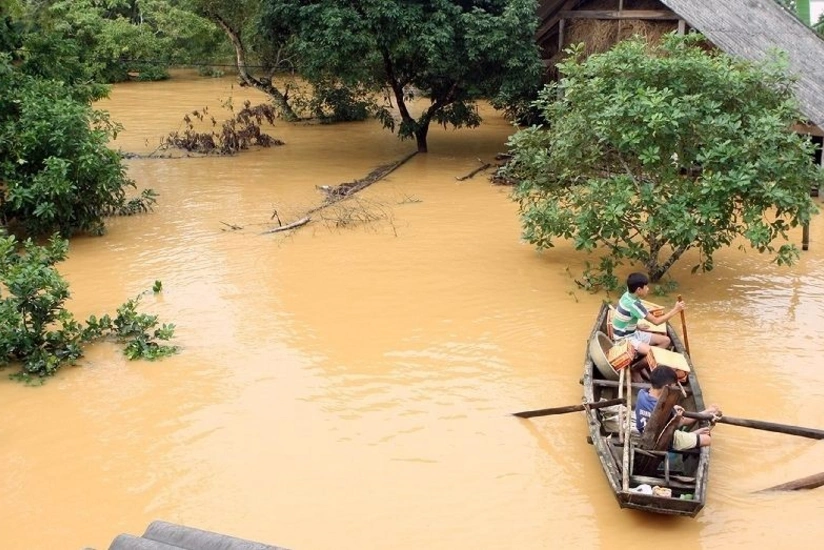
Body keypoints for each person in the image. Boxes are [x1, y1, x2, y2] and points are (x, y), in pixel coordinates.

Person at [635, 366, 720, 450]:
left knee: (674, 425)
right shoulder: (663, 409)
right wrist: (707, 411)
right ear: (667, 386)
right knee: (707, 439)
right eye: (674, 386)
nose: (674, 388)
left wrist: (672, 409)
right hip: (663, 440)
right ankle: (690, 435)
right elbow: (684, 422)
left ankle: (689, 436)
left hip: (644, 433)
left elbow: (655, 405)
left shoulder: (641, 393)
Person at [611, 272, 685, 356]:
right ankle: (639, 364)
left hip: (632, 332)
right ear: (639, 289)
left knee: (666, 341)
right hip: (624, 339)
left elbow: (626, 316)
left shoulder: (628, 293)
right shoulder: (634, 305)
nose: (648, 289)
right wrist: (675, 310)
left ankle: (643, 356)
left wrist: (637, 326)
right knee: (652, 354)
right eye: (646, 287)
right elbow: (656, 321)